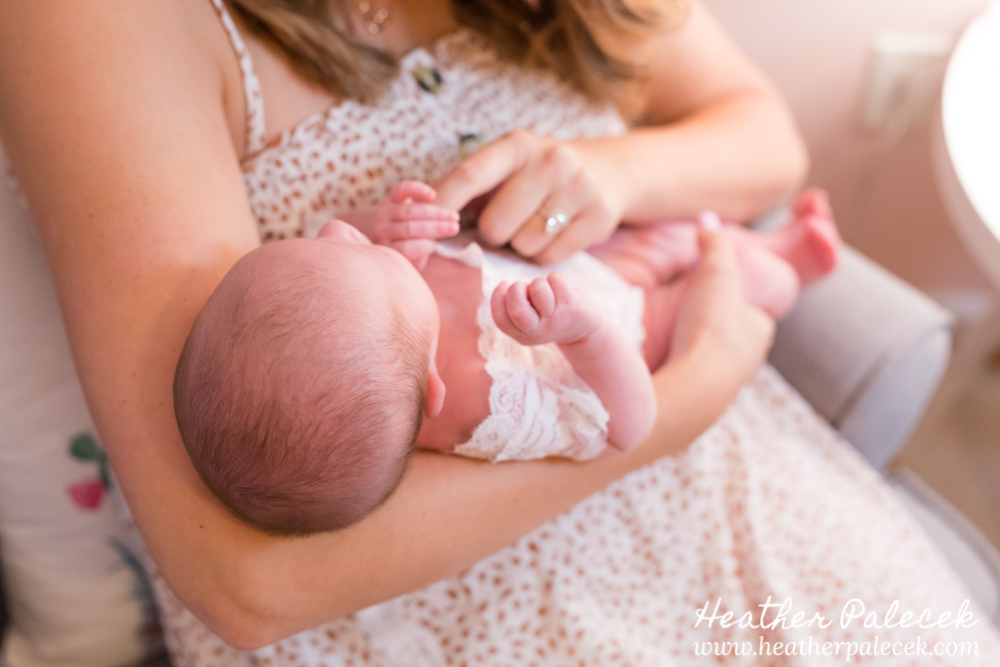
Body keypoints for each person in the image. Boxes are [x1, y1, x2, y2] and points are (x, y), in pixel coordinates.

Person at [1, 0, 997, 664]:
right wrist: (687, 396)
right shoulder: (104, 23)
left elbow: (763, 139)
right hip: (409, 598)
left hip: (721, 469)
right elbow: (247, 579)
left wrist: (615, 172)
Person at [174, 187, 837, 537]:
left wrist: (394, 229)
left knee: (665, 233)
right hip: (632, 335)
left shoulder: (384, 340)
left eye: (326, 242)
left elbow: (364, 261)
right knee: (747, 285)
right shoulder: (488, 407)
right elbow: (625, 427)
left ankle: (760, 235)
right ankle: (793, 262)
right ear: (432, 387)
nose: (337, 230)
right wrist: (584, 333)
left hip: (584, 269)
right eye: (363, 252)